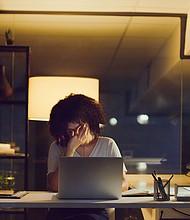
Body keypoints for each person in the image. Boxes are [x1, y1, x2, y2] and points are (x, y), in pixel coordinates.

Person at [46, 94, 128, 220]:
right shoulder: (57, 147)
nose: (75, 135)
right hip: (62, 208)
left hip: (95, 209)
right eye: (69, 131)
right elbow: (54, 186)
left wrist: (97, 192)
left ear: (89, 123)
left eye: (79, 129)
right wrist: (70, 150)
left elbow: (123, 183)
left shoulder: (108, 144)